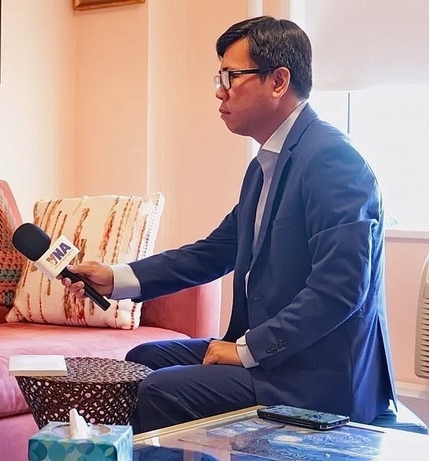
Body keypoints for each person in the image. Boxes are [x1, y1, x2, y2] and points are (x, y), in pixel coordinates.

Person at [61, 16, 395, 433]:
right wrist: (117, 278)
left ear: (278, 81)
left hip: (315, 377)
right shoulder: (264, 165)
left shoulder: (332, 160)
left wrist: (248, 349)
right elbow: (215, 251)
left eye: (231, 76)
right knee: (143, 361)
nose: (220, 92)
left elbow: (341, 289)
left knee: (161, 390)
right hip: (278, 361)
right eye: (219, 77)